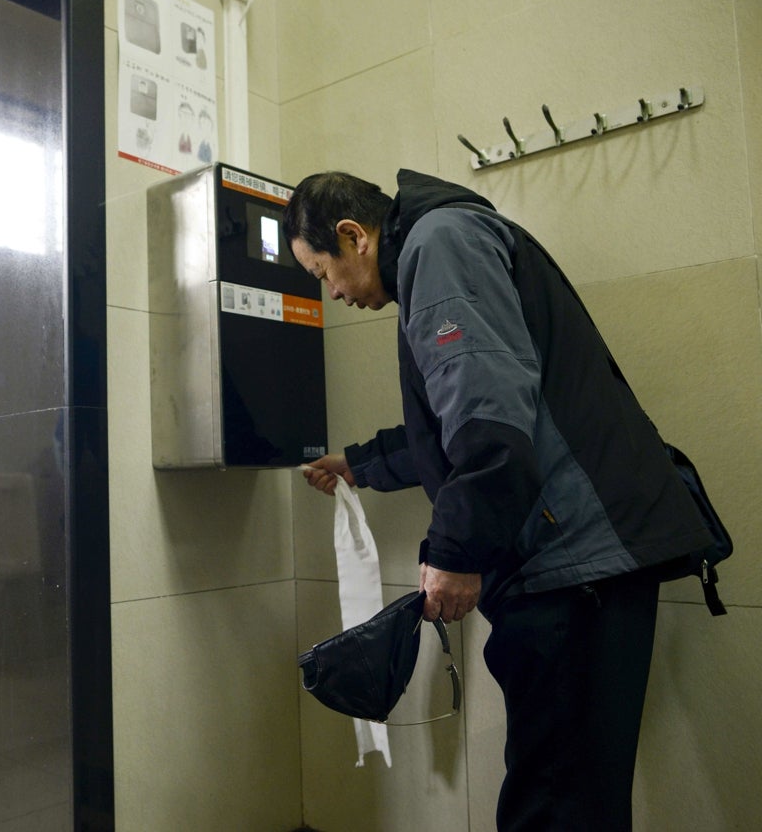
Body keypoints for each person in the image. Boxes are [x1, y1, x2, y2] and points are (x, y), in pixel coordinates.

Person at [283, 168, 715, 832]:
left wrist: (454, 551)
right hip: (582, 560)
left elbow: (489, 425)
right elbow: (458, 419)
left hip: (572, 567)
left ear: (353, 236)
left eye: (323, 273)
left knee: (556, 802)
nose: (333, 292)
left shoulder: (439, 243)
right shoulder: (446, 240)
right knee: (578, 796)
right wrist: (358, 464)